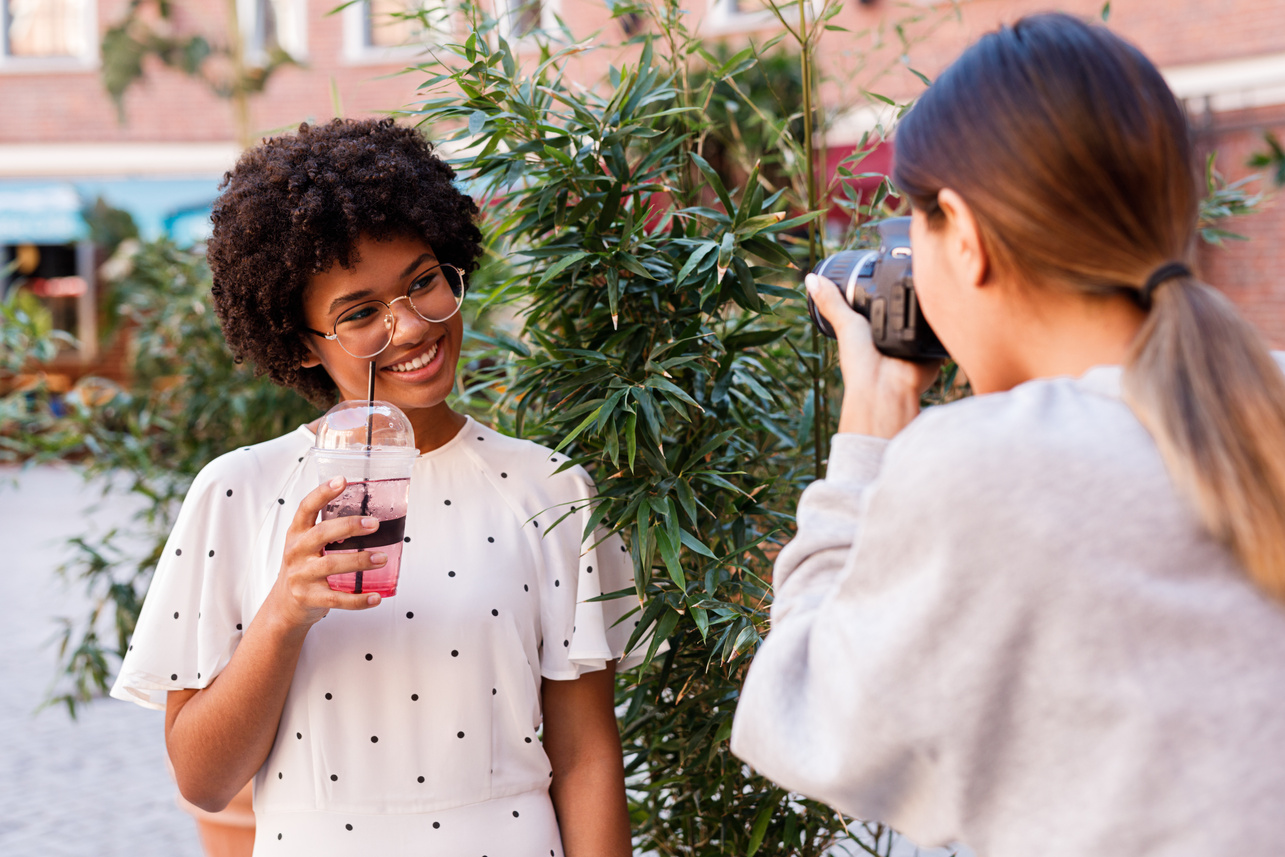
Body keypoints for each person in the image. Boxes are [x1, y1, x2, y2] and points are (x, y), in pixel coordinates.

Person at [730, 13, 1285, 857]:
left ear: (965, 233)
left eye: (914, 226)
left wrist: (865, 445)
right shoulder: (1259, 395)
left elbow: (800, 719)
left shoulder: (991, 461)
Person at [111, 118, 646, 857]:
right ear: (301, 342)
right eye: (359, 312)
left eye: (422, 281)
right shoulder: (237, 492)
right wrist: (283, 615)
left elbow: (586, 757)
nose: (411, 327)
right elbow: (202, 780)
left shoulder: (550, 490)